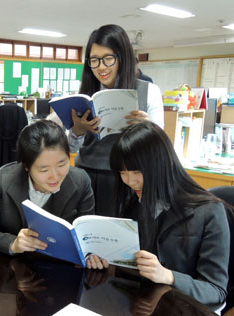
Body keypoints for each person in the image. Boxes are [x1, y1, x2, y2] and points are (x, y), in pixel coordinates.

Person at [88, 121, 229, 306]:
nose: (130, 181)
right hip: (140, 303)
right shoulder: (133, 202)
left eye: (137, 171)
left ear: (161, 165)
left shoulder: (209, 212)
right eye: (123, 172)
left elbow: (216, 290)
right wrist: (104, 260)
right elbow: (126, 268)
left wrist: (168, 276)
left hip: (182, 308)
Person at [69, 24, 164, 216]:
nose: (101, 67)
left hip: (126, 179)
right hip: (86, 176)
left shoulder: (148, 92)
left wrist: (147, 128)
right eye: (94, 60)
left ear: (123, 57)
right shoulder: (84, 95)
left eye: (108, 59)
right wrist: (77, 131)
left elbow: (160, 148)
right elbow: (70, 148)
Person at [0, 120, 94, 255]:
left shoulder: (81, 181)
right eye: (44, 170)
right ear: (26, 167)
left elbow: (88, 236)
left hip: (59, 264)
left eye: (61, 164)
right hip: (12, 266)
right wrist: (13, 243)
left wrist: (92, 254)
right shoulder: (4, 179)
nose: (55, 176)